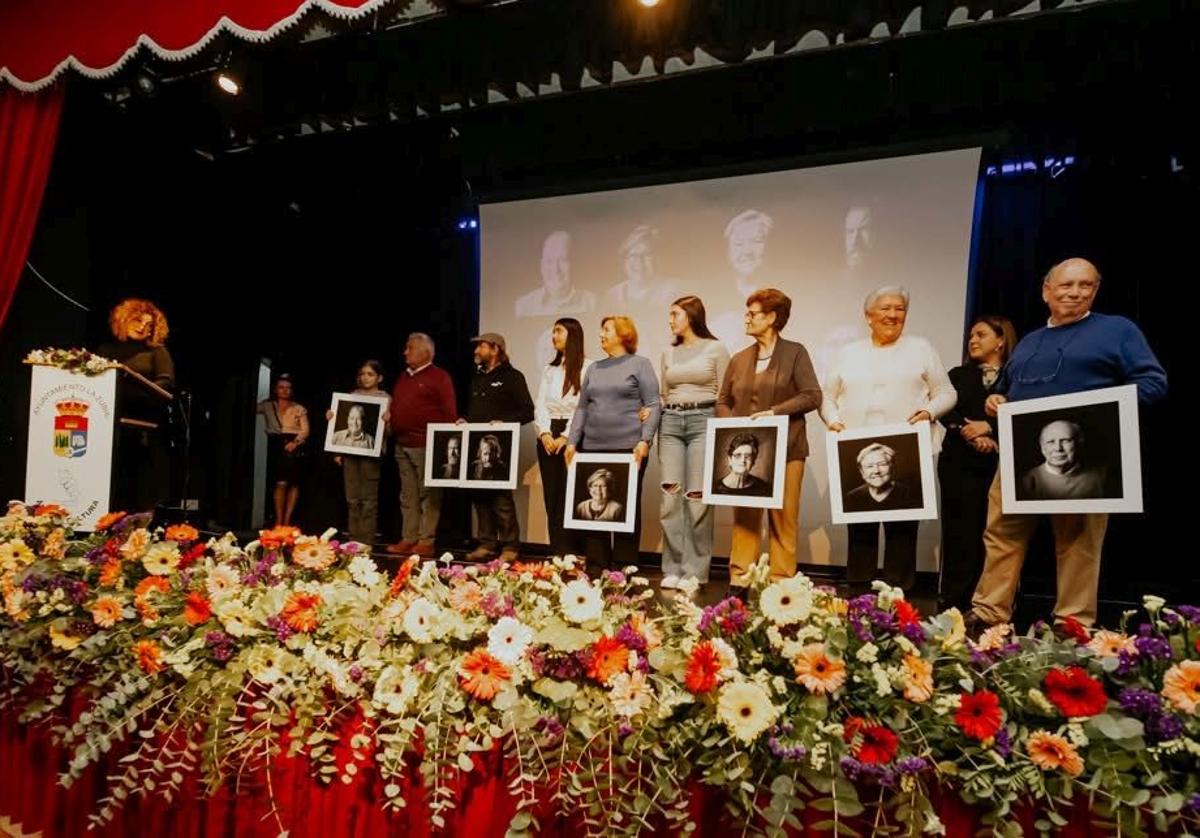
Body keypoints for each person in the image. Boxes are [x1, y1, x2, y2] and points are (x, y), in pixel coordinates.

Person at [969, 258, 1167, 630]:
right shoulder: (1029, 341)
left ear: (1095, 290)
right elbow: (1004, 391)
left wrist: (1099, 410)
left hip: (1085, 456)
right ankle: (989, 614)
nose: (1075, 292)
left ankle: (1072, 623)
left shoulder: (1117, 330)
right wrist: (995, 401)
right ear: (1047, 291)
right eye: (1066, 285)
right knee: (1001, 534)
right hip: (1021, 455)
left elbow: (1153, 383)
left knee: (1078, 542)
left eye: (1085, 285)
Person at [820, 286, 956, 595]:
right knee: (861, 530)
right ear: (868, 316)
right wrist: (833, 420)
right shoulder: (848, 352)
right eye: (885, 308)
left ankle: (897, 598)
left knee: (902, 532)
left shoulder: (921, 348)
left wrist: (928, 411)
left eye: (899, 309)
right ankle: (858, 595)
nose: (893, 315)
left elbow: (947, 393)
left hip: (907, 452)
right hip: (857, 452)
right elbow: (827, 397)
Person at [716, 288, 822, 591]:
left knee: (783, 518)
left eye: (753, 314)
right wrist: (731, 427)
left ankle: (782, 586)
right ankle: (740, 582)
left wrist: (774, 412)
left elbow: (812, 395)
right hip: (749, 452)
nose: (746, 319)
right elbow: (722, 400)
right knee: (745, 519)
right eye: (746, 313)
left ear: (772, 317)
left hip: (787, 449)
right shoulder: (739, 359)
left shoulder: (795, 352)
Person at [565, 316, 661, 575]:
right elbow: (583, 407)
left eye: (606, 330)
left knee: (625, 509)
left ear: (623, 334)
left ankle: (624, 567)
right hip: (593, 448)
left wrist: (645, 440)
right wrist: (572, 442)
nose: (601, 335)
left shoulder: (640, 364)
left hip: (629, 449)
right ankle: (596, 568)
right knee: (593, 509)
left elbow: (653, 404)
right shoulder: (594, 368)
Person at [937, 315, 1017, 612]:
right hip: (958, 465)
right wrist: (968, 431)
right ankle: (952, 605)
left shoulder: (1017, 377)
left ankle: (986, 605)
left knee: (997, 536)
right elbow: (945, 410)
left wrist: (991, 429)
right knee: (959, 534)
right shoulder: (957, 375)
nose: (972, 340)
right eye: (971, 334)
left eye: (981, 334)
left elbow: (1027, 412)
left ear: (1001, 340)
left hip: (1001, 466)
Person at [658, 295, 729, 590]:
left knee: (697, 499)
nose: (670, 319)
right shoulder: (668, 353)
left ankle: (695, 571)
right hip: (672, 422)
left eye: (675, 314)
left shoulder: (716, 348)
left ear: (691, 315)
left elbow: (725, 392)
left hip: (704, 420)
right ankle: (672, 567)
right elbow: (664, 392)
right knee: (670, 497)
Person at [98, 298, 175, 513]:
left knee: (140, 488)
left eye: (149, 325)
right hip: (108, 426)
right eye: (138, 320)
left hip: (144, 428)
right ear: (124, 319)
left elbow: (165, 385)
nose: (143, 327)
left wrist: (138, 386)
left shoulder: (157, 352)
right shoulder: (106, 350)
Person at [464, 333, 535, 562]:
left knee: (501, 498)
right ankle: (486, 543)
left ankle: (510, 546)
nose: (476, 351)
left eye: (481, 347)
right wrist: (464, 420)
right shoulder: (476, 378)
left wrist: (505, 422)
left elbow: (527, 411)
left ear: (495, 349)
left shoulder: (512, 377)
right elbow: (473, 409)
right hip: (476, 447)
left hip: (501, 449)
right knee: (479, 496)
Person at [387, 334, 457, 558]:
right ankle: (408, 538)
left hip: (427, 445)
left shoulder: (439, 377)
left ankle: (426, 540)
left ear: (426, 352)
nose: (405, 352)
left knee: (429, 495)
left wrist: (442, 447)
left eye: (410, 348)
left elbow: (450, 413)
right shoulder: (403, 377)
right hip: (402, 444)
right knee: (407, 496)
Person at [534, 318, 592, 555]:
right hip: (549, 435)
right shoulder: (549, 369)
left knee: (574, 494)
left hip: (576, 436)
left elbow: (583, 405)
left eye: (559, 331)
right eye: (553, 331)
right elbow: (541, 404)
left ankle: (577, 553)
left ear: (573, 335)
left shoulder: (589, 367)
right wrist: (545, 433)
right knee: (553, 496)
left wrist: (567, 437)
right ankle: (559, 551)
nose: (554, 336)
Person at [326, 361, 389, 545]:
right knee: (352, 498)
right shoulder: (351, 396)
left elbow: (389, 432)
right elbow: (340, 425)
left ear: (379, 378)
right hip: (350, 454)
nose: (365, 377)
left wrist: (388, 421)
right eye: (363, 374)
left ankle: (366, 540)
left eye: (370, 374)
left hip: (371, 455)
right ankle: (353, 539)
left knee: (368, 500)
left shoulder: (385, 398)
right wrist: (332, 418)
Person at [709, 210, 774, 348]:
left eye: (757, 241)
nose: (747, 251)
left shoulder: (784, 298)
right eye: (738, 243)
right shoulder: (711, 300)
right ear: (727, 250)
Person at [257, 373, 309, 527]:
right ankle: (278, 521)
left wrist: (296, 442)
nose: (285, 390)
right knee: (280, 483)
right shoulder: (267, 406)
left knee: (293, 483)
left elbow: (305, 430)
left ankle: (287, 520)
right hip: (275, 445)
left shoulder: (299, 408)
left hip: (294, 445)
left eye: (288, 388)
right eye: (281, 387)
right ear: (275, 389)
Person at [514, 231, 596, 318]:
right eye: (549, 261)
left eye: (563, 260)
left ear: (574, 263)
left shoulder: (591, 303)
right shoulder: (524, 306)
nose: (556, 269)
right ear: (541, 266)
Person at [1020, 419, 1106, 500]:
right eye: (1051, 442)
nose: (1058, 448)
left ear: (1079, 443)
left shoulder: (1102, 477)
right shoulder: (1027, 481)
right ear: (1042, 448)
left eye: (1066, 441)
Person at [604, 226, 679, 309]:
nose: (639, 261)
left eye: (647, 255)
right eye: (633, 255)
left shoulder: (675, 291)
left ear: (658, 258)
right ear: (624, 260)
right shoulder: (613, 295)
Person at [842, 443, 916, 512]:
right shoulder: (852, 498)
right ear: (862, 471)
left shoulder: (909, 494)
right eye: (869, 466)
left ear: (893, 467)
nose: (876, 471)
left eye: (882, 464)